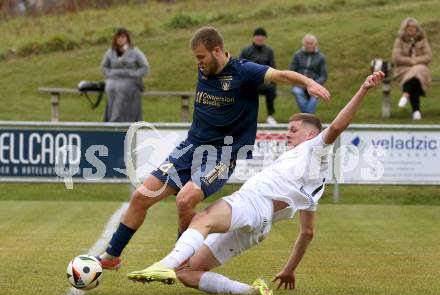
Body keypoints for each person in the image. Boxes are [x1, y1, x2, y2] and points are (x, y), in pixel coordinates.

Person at [127, 72, 385, 295]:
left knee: (202, 219)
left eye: (293, 129)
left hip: (253, 202)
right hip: (261, 227)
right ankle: (250, 290)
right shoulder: (317, 181)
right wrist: (289, 269)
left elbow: (338, 125)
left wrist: (363, 89)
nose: (288, 134)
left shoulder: (316, 148)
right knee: (189, 273)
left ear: (311, 134)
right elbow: (307, 233)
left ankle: (164, 263)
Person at [97, 26, 330, 270]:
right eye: (195, 58)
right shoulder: (205, 69)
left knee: (185, 199)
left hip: (222, 154)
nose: (198, 63)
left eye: (201, 57)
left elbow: (280, 75)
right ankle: (112, 256)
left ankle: (181, 260)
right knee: (141, 197)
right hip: (191, 146)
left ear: (217, 51)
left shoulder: (244, 71)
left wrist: (308, 82)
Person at [101, 28, 150, 122]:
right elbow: (103, 67)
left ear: (127, 39)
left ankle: (117, 120)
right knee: (110, 87)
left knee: (121, 89)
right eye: (118, 37)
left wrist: (135, 74)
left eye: (123, 37)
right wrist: (110, 74)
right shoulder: (110, 52)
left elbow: (145, 67)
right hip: (114, 79)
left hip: (130, 79)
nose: (121, 39)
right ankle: (111, 117)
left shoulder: (135, 51)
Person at [392, 17, 432, 120]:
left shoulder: (423, 40)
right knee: (414, 77)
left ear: (417, 28)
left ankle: (406, 95)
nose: (411, 29)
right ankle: (416, 111)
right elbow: (396, 58)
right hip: (403, 69)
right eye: (409, 26)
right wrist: (411, 62)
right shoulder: (399, 40)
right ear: (405, 28)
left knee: (417, 72)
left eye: (413, 27)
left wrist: (416, 61)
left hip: (420, 69)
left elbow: (428, 57)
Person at [240, 27, 278, 125]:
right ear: (253, 37)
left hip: (264, 81)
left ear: (265, 38)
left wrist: (272, 82)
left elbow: (273, 67)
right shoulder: (246, 50)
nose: (260, 38)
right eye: (257, 35)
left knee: (271, 88)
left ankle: (270, 116)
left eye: (262, 35)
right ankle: (246, 117)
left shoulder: (269, 51)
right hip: (249, 82)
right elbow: (240, 66)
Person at [289, 34, 327, 114]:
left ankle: (305, 115)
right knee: (297, 92)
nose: (309, 45)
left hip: (315, 84)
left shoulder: (321, 57)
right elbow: (291, 71)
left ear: (315, 44)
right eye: (307, 43)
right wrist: (300, 81)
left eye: (311, 43)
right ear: (304, 44)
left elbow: (324, 76)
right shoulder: (297, 55)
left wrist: (314, 83)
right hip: (299, 83)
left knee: (315, 96)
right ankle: (308, 116)